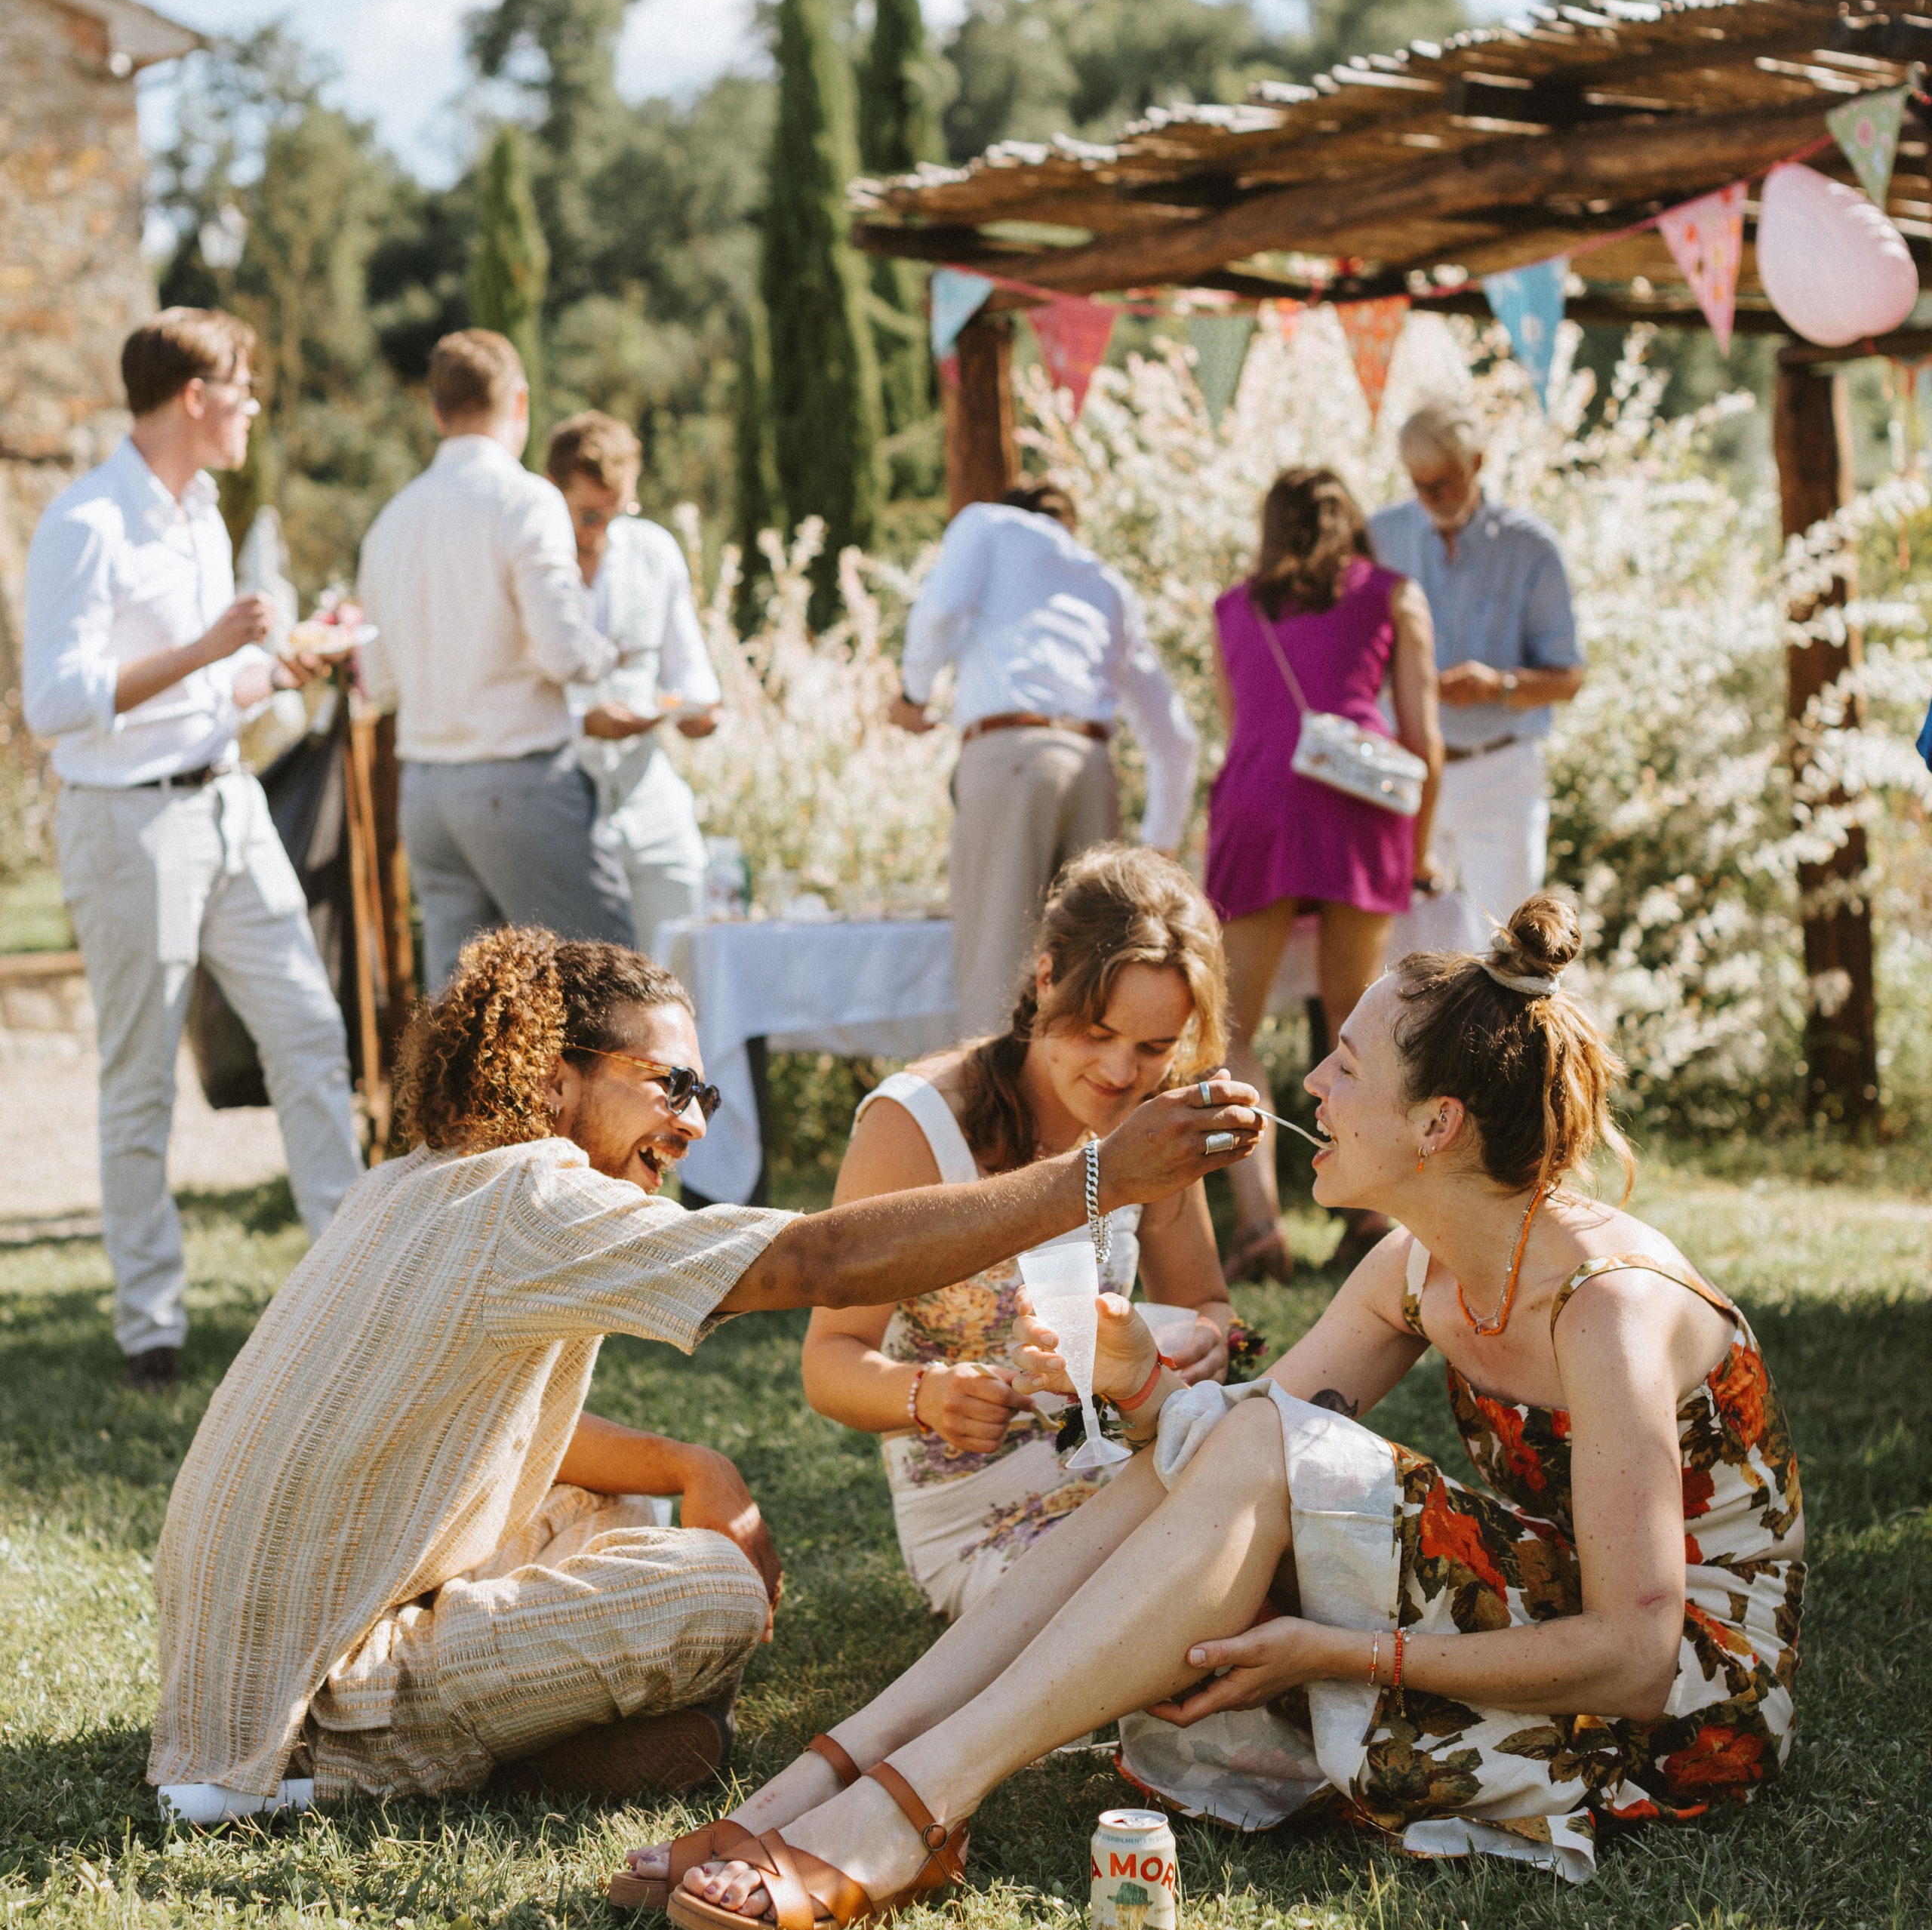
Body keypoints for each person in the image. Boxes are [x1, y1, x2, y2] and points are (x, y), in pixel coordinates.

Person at [646, 893, 1802, 1930]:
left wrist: (1331, 1652)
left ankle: (913, 1807)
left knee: (1247, 1436)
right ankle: (831, 1779)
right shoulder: (1416, 1266)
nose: (1311, 1091)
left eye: (1343, 1068)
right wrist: (1148, 1386)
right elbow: (1227, 1453)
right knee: (1226, 1436)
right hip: (1550, 1618)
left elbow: (1640, 1656)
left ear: (1438, 1123)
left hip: (1684, 1711)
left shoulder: (1607, 1311)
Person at [146, 924, 1263, 1821]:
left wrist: (693, 1461)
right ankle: (318, 1779)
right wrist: (1096, 1176)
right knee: (714, 1592)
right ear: (552, 1080)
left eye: (702, 1094)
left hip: (254, 1641)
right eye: (665, 1085)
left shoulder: (420, 1181)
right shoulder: (536, 1199)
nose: (688, 1124)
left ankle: (526, 1744)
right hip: (289, 1706)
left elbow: (478, 1431)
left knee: (621, 1502)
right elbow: (820, 1256)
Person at [22, 310, 365, 1393]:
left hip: (228, 805)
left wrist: (286, 660)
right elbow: (56, 705)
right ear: (191, 397)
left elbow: (212, 691)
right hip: (126, 824)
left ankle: (354, 1293)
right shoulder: (87, 524)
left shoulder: (205, 515)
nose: (254, 404)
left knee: (313, 1039)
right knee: (139, 1082)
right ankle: (150, 1330)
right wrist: (213, 646)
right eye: (242, 387)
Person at [802, 849, 1241, 1620]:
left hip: (1130, 1459)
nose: (1119, 1072)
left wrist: (1210, 1336)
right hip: (981, 1506)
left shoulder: (1157, 1117)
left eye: (1152, 1047)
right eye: (1097, 1031)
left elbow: (1206, 1302)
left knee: (1263, 1548)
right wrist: (924, 1394)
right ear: (1045, 979)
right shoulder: (914, 1124)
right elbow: (828, 1360)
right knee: (1144, 1608)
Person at [1204, 466, 1441, 1284]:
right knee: (1357, 1021)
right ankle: (1371, 1214)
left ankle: (1262, 1225)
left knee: (1231, 1027)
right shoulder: (1393, 593)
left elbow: (1242, 729)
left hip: (1259, 799)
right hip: (1357, 807)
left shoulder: (1232, 608)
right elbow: (1425, 741)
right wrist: (1419, 846)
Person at [357, 331, 638, 993]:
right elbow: (563, 650)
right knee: (608, 989)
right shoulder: (525, 498)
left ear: (436, 412)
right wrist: (608, 654)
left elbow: (380, 681)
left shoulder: (390, 522)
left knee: (465, 1021)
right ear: (520, 401)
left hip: (426, 792)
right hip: (518, 782)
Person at [892, 484, 1198, 1038]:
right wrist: (1159, 846)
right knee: (1091, 982)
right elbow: (1174, 736)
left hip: (1010, 757)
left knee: (997, 973)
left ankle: (991, 1123)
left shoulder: (986, 524)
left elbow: (938, 610)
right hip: (1093, 768)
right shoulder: (1106, 583)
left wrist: (914, 694)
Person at [1371, 397, 1583, 950]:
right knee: (1401, 964)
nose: (1431, 498)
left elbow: (1568, 676)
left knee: (1507, 951)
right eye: (1420, 485)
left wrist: (1500, 687)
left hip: (1499, 769)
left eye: (1444, 483)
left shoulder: (1530, 547)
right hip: (1402, 770)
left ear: (1478, 463)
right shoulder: (1380, 537)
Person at [543, 412, 721, 961]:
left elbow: (687, 665)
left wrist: (698, 708)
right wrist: (582, 723)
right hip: (560, 793)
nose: (602, 529)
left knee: (683, 948)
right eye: (588, 514)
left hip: (648, 788)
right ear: (553, 494)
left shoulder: (653, 550)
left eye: (618, 511)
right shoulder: (529, 563)